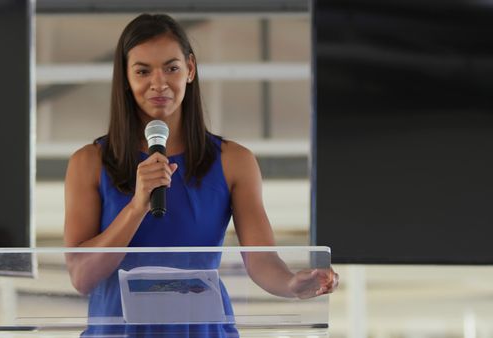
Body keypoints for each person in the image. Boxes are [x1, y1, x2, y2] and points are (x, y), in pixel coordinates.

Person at [63, 13, 339, 337]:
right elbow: (82, 277)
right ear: (125, 77)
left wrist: (292, 284)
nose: (159, 83)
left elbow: (261, 260)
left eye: (171, 68)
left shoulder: (233, 162)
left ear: (190, 69)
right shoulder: (89, 163)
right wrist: (137, 207)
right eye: (142, 71)